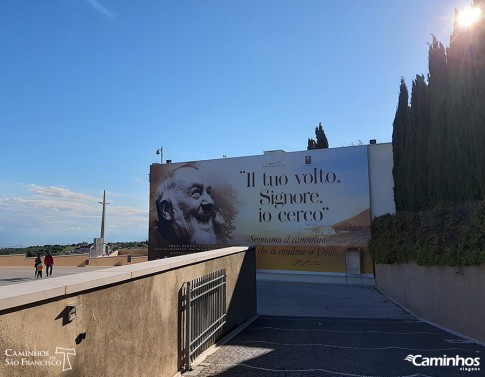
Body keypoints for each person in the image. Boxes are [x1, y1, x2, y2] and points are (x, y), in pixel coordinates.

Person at [155, 164, 217, 244]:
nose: (210, 201)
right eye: (195, 192)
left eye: (208, 192)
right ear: (167, 210)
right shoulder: (158, 248)